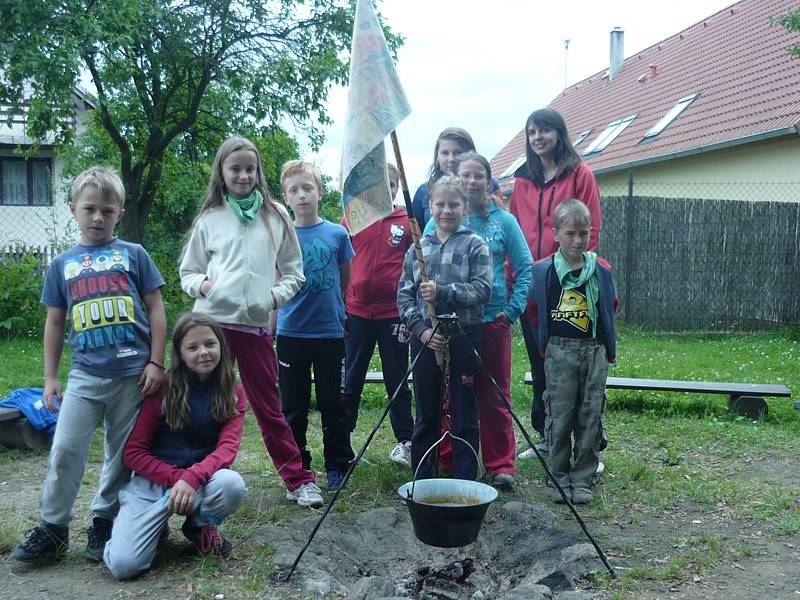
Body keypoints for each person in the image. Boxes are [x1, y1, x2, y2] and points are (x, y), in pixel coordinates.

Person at [12, 166, 167, 565]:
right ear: (73, 210)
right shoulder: (62, 264)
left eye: (107, 210)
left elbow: (156, 309)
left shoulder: (134, 255)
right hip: (84, 376)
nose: (98, 217)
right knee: (65, 447)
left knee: (121, 453)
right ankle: (53, 526)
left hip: (133, 376)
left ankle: (105, 519)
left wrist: (155, 361)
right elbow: (55, 321)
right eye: (90, 209)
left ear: (120, 212)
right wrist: (49, 378)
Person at [180, 136, 323, 509]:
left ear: (258, 172)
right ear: (222, 173)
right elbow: (188, 272)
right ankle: (193, 476)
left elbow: (294, 272)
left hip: (255, 328)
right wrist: (206, 285)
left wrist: (271, 298)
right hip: (212, 328)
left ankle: (298, 479)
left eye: (250, 168)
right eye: (235, 169)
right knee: (204, 403)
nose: (243, 176)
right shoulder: (209, 219)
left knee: (268, 407)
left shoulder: (276, 215)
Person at [104, 313, 248, 579]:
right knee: (124, 566)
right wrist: (178, 479)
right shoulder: (164, 388)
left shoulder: (233, 390)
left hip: (201, 480)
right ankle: (151, 528)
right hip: (154, 482)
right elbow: (133, 452)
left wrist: (192, 478)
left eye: (210, 344)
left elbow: (227, 449)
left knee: (232, 485)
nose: (203, 352)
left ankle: (199, 525)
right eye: (192, 347)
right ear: (180, 354)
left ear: (221, 347)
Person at [432, 152, 532, 491]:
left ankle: (501, 465)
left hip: (491, 323)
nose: (472, 181)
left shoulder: (504, 222)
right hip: (451, 326)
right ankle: (451, 457)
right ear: (456, 179)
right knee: (451, 396)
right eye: (466, 175)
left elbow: (525, 266)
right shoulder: (443, 218)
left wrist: (513, 309)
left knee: (494, 395)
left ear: (489, 181)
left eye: (479, 176)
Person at [508, 108, 602, 460]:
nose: (538, 137)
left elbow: (589, 231)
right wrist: (513, 273)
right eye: (532, 132)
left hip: (569, 285)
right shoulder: (522, 180)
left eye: (545, 130)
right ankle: (548, 435)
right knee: (540, 362)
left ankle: (587, 441)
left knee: (573, 366)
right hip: (532, 285)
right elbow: (513, 229)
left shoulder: (580, 175)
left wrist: (576, 276)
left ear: (559, 134)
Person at [398, 175, 492, 480]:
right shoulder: (417, 248)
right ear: (430, 207)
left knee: (465, 411)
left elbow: (482, 290)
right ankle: (422, 478)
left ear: (465, 206)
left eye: (454, 204)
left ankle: (467, 480)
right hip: (426, 341)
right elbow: (404, 295)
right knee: (426, 411)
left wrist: (443, 293)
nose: (447, 210)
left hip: (464, 338)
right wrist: (421, 331)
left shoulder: (475, 245)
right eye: (440, 204)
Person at [529, 200, 617, 504]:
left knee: (590, 414)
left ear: (591, 233)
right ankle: (558, 476)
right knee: (559, 413)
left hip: (593, 351)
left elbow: (610, 306)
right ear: (555, 234)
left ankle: (583, 477)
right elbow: (533, 309)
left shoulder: (601, 270)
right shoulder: (543, 271)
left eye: (584, 233)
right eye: (570, 233)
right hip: (559, 352)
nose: (577, 241)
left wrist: (605, 346)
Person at [275, 160, 355, 490]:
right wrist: (270, 329)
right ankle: (298, 467)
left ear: (319, 192)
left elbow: (345, 279)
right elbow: (276, 282)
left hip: (329, 333)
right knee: (293, 407)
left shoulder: (337, 233)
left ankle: (337, 463)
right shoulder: (281, 234)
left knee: (332, 404)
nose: (302, 195)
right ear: (286, 197)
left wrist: (338, 310)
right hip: (291, 332)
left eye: (308, 188)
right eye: (294, 190)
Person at [342, 164, 415, 468]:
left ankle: (406, 442)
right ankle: (342, 443)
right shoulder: (353, 216)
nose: (390, 188)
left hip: (393, 313)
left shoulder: (407, 221)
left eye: (394, 183)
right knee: (351, 377)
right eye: (383, 182)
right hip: (355, 310)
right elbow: (340, 258)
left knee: (397, 377)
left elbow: (415, 266)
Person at [411, 128, 504, 228]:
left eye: (458, 152)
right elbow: (418, 233)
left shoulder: (487, 186)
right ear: (437, 156)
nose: (451, 159)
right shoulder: (424, 191)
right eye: (445, 153)